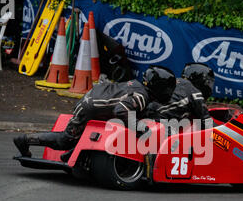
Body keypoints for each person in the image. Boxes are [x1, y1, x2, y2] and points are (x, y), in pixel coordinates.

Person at [13, 65, 176, 158]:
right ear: (160, 87)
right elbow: (121, 110)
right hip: (91, 108)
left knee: (110, 127)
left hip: (94, 101)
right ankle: (26, 140)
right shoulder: (142, 96)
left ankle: (72, 154)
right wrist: (140, 128)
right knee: (65, 139)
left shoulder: (137, 86)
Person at [143, 62, 215, 128]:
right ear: (201, 80)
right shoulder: (194, 91)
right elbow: (207, 122)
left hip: (144, 117)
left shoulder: (175, 82)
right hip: (159, 124)